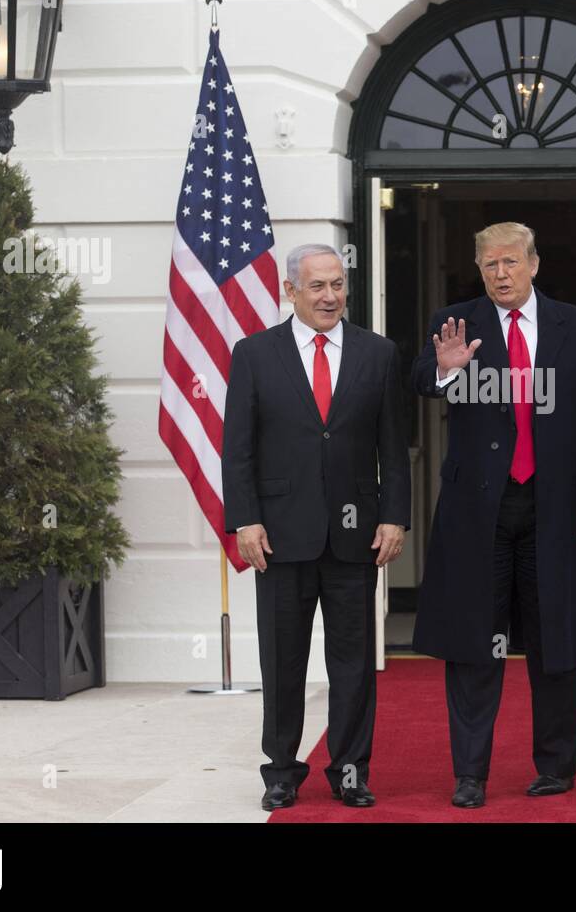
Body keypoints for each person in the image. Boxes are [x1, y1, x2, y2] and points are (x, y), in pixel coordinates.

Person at [411, 222, 576, 808]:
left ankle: (555, 765)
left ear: (534, 264)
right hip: (479, 511)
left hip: (555, 506)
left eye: (511, 262)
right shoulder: (456, 322)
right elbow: (420, 378)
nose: (501, 274)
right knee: (477, 641)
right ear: (479, 269)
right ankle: (470, 773)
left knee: (556, 638)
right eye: (489, 265)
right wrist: (446, 369)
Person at [222, 243, 411, 811]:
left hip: (356, 538)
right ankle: (281, 771)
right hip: (278, 536)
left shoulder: (378, 354)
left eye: (337, 285)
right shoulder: (254, 354)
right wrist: (245, 520)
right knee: (283, 661)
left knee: (353, 662)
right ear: (291, 292)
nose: (330, 296)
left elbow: (393, 450)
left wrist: (395, 516)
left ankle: (351, 770)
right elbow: (238, 451)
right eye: (317, 287)